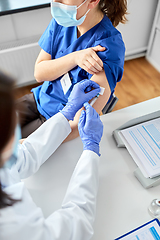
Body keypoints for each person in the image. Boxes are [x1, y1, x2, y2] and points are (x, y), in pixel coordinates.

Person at [0, 71, 104, 240]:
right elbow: (75, 225)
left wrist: (66, 113)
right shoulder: (11, 225)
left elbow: (25, 156)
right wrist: (91, 151)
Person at [16, 0, 127, 140]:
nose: (56, 2)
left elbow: (78, 124)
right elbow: (39, 73)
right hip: (38, 98)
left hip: (58, 121)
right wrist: (75, 58)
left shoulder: (108, 47)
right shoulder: (64, 22)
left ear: (92, 1)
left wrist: (32, 145)